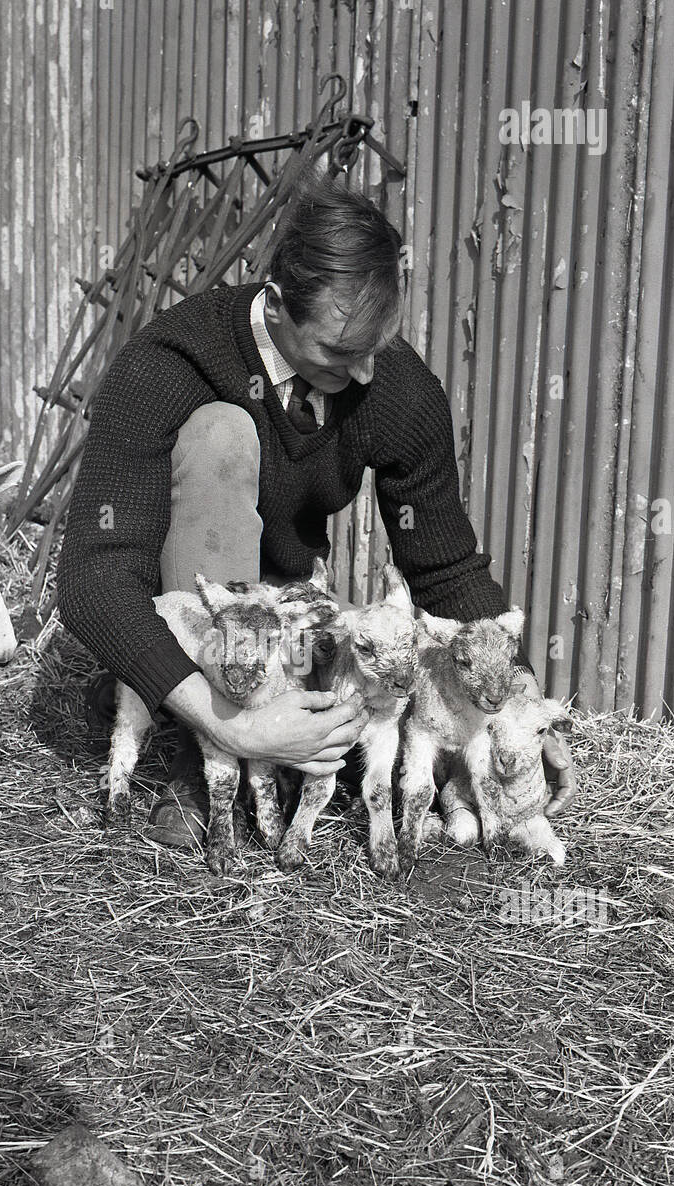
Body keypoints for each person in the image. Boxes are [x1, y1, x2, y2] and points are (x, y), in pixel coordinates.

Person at [57, 173, 574, 847]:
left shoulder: (396, 389)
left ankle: (198, 701)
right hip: (196, 609)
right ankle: (197, 748)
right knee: (221, 435)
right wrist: (228, 722)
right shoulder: (168, 362)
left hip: (293, 607)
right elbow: (95, 578)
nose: (361, 374)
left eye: (374, 348)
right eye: (337, 352)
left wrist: (517, 700)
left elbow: (444, 567)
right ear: (274, 305)